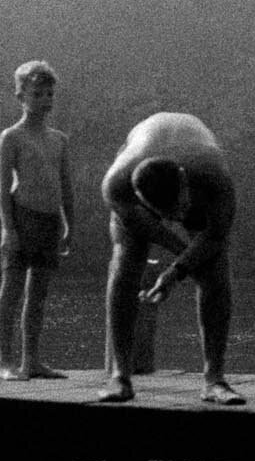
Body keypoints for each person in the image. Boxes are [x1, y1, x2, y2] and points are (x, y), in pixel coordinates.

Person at [99, 112, 243, 404]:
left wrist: (177, 271)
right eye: (169, 215)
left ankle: (214, 380)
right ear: (141, 201)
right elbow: (141, 226)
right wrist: (181, 262)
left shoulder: (213, 174)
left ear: (184, 182)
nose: (178, 218)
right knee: (126, 262)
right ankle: (120, 376)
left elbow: (216, 236)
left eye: (181, 208)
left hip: (194, 161)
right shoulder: (117, 185)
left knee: (214, 271)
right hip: (141, 158)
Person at [0, 60, 75, 380]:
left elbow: (65, 186)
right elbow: (1, 187)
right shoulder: (11, 137)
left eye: (50, 94)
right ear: (21, 96)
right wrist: (8, 229)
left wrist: (71, 224)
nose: (45, 100)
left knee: (38, 294)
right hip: (22, 217)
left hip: (49, 221)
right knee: (11, 290)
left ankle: (32, 360)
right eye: (38, 94)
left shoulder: (59, 139)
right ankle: (5, 362)